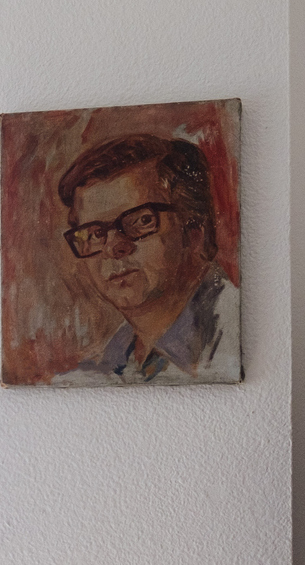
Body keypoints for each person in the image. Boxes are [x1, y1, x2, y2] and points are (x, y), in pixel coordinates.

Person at [57, 133, 241, 383]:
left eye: (142, 221)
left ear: (195, 231)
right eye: (96, 233)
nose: (113, 248)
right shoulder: (107, 365)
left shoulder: (237, 334)